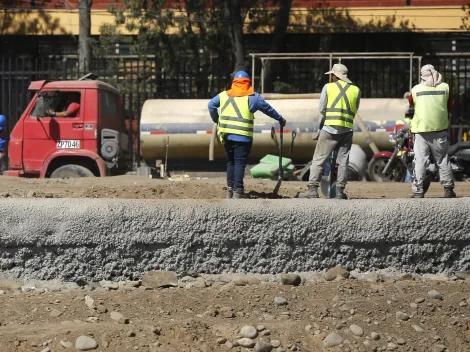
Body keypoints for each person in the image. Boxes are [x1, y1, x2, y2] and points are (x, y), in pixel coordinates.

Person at [208, 71, 286, 199]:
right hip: (243, 137)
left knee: (230, 162)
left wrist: (217, 119)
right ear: (248, 82)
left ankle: (230, 190)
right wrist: (280, 119)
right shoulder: (253, 97)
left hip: (226, 136)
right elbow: (268, 109)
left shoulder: (223, 95)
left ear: (234, 82)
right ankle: (238, 190)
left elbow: (211, 105)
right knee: (239, 163)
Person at [299, 63, 361, 200]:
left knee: (319, 159)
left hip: (329, 129)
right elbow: (355, 110)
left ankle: (312, 190)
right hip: (347, 130)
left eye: (332, 75)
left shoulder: (328, 87)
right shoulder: (356, 90)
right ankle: (339, 191)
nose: (331, 77)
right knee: (343, 161)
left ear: (335, 75)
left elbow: (322, 109)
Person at [407, 64, 455, 198]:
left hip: (421, 131)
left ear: (422, 76)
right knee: (443, 159)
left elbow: (411, 102)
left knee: (420, 161)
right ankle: (448, 189)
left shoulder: (416, 89)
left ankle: (418, 191)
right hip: (440, 130)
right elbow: (450, 106)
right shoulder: (446, 87)